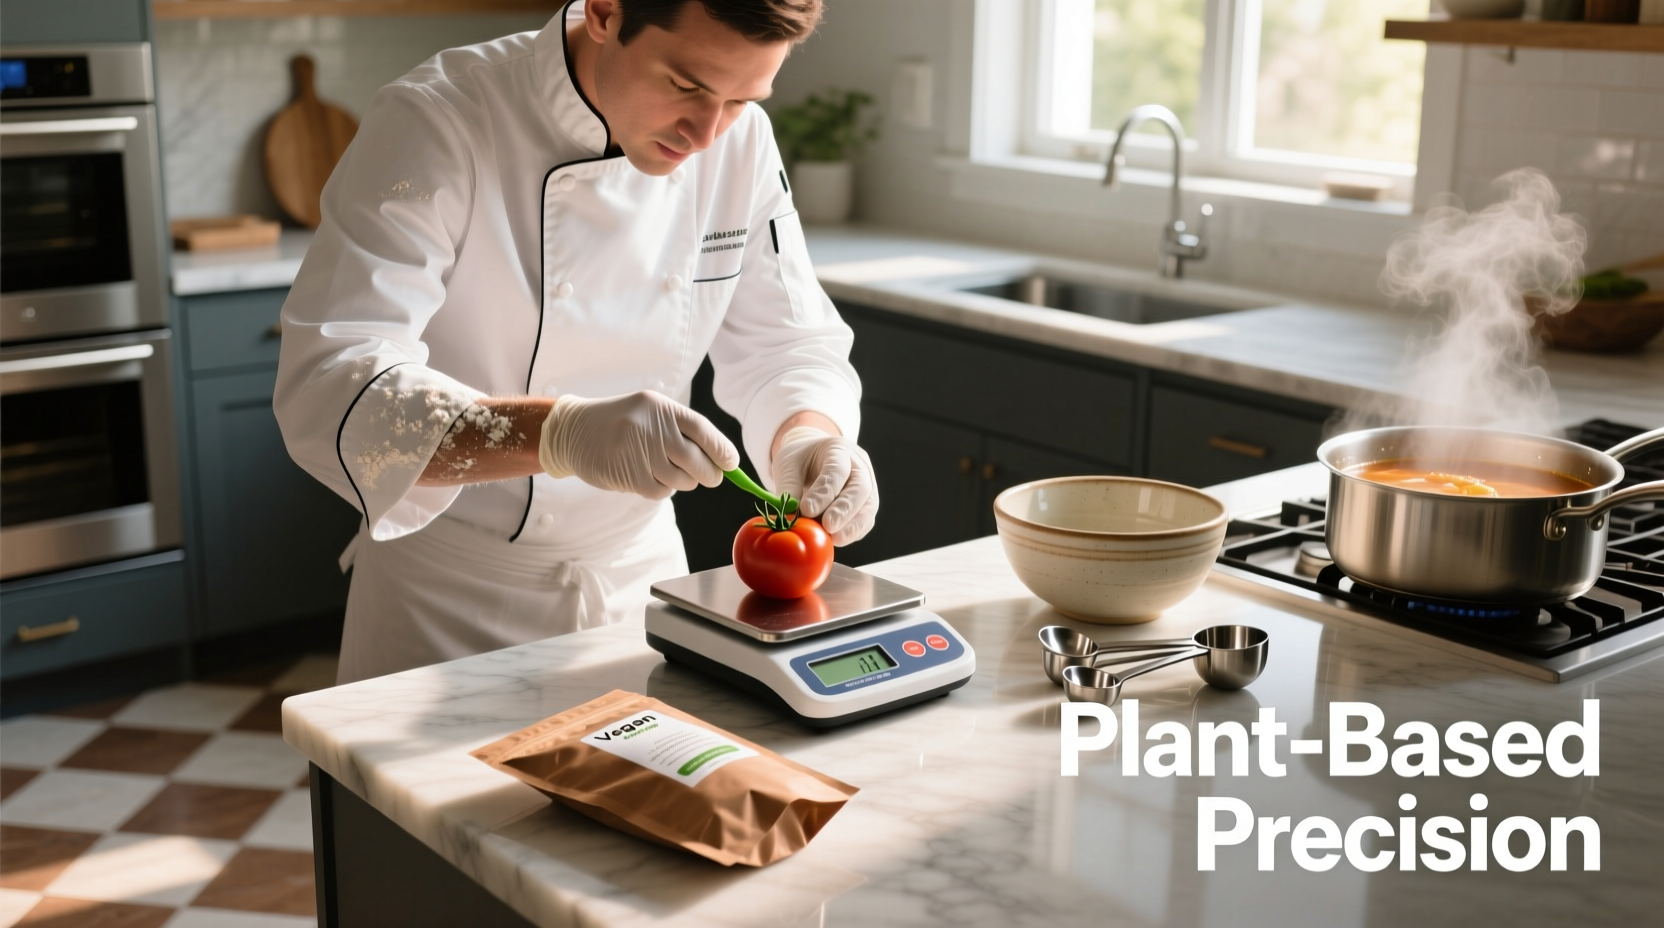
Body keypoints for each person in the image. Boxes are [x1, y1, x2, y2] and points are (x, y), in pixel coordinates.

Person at [273, 0, 877, 685]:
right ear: (605, 11)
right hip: (448, 607)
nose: (708, 133)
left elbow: (787, 343)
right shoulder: (439, 119)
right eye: (686, 86)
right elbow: (333, 382)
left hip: (641, 589)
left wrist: (808, 437)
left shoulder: (741, 143)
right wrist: (557, 434)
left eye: (742, 99)